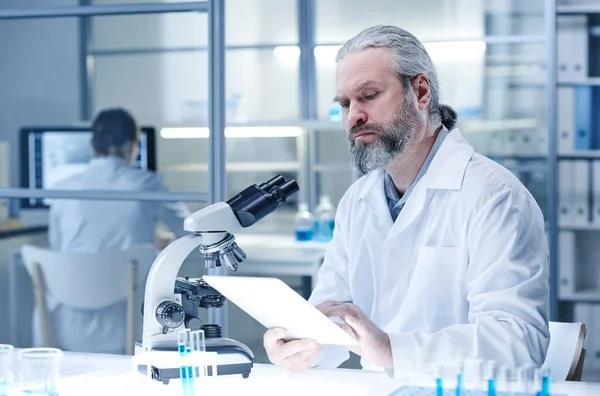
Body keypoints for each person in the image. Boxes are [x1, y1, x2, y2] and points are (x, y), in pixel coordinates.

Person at [263, 25, 550, 376]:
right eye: (345, 103)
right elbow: (330, 313)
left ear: (421, 92)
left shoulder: (494, 197)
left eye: (368, 95)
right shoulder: (358, 200)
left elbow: (518, 343)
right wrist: (301, 346)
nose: (354, 115)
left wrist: (390, 349)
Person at [42, 108, 190, 353]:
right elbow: (188, 230)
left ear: (93, 145)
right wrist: (152, 247)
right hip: (128, 322)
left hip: (66, 325)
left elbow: (59, 247)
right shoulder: (146, 184)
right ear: (133, 145)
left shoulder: (62, 189)